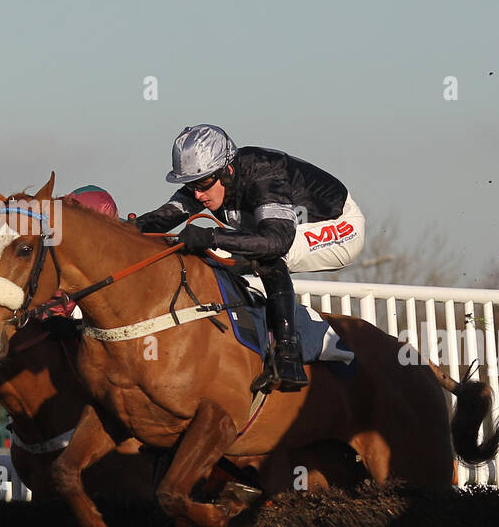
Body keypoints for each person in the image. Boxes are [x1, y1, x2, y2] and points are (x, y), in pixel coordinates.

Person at [132, 124, 365, 392]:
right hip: (280, 231)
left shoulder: (265, 176)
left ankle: (288, 357)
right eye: (191, 185)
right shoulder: (206, 183)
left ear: (227, 171)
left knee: (269, 256)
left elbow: (276, 241)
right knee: (206, 255)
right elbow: (158, 221)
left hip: (340, 226)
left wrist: (211, 237)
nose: (197, 193)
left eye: (204, 183)